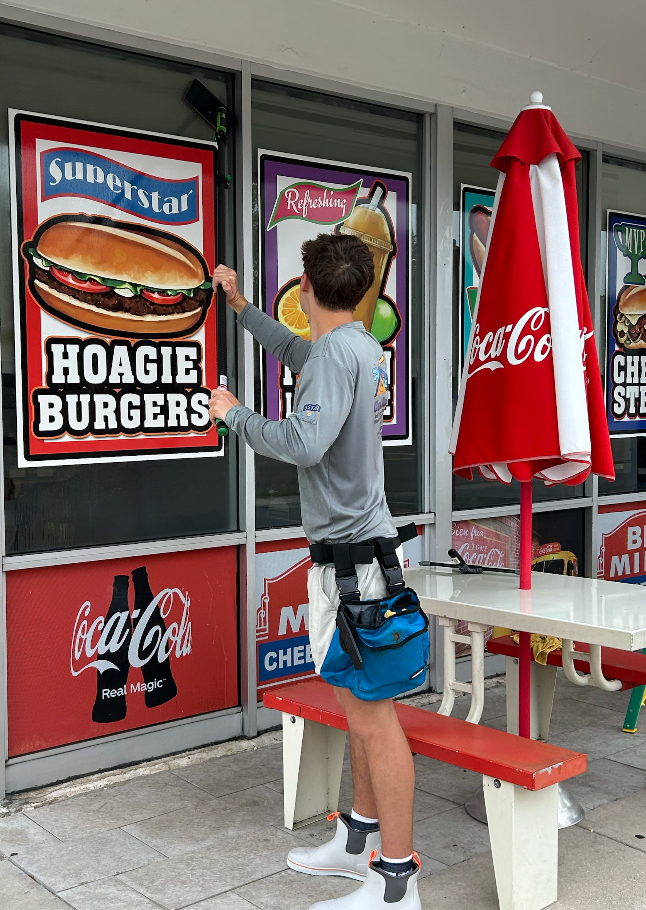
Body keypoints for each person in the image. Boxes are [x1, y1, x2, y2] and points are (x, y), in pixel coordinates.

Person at [208, 234, 420, 910]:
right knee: (360, 713)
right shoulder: (358, 345)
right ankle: (356, 842)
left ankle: (396, 886)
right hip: (361, 561)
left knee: (375, 721)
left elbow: (304, 440)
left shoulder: (337, 355)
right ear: (362, 291)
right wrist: (241, 307)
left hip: (354, 571)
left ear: (305, 289)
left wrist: (233, 415)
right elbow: (297, 353)